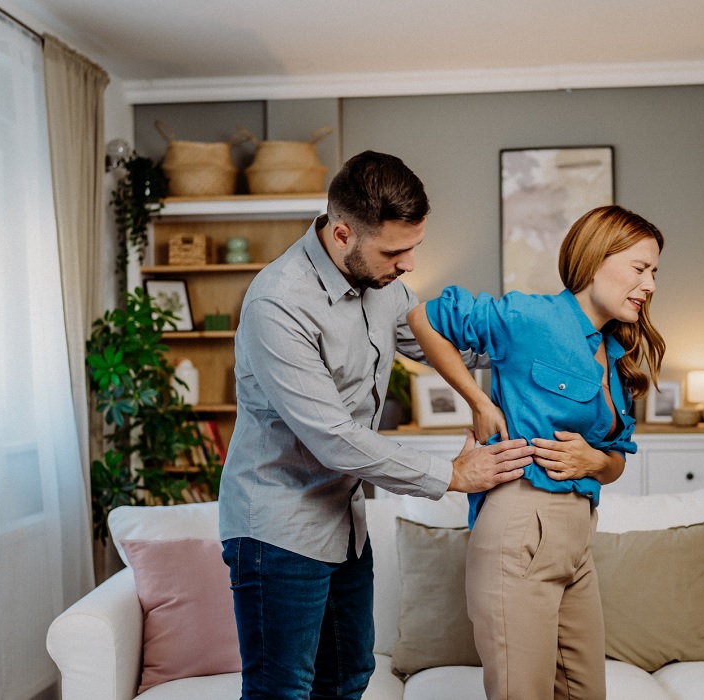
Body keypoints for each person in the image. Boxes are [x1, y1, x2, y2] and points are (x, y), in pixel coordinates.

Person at [217, 150, 536, 700]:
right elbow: (333, 438)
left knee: (347, 680)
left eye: (414, 246)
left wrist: (536, 343)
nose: (409, 263)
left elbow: (436, 344)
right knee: (281, 691)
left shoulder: (383, 282)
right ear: (342, 234)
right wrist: (453, 475)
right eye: (396, 250)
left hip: (344, 524)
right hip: (278, 529)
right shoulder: (278, 302)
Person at [407, 204, 666, 700]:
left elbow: (615, 456)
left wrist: (597, 462)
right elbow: (424, 318)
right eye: (639, 268)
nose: (650, 284)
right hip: (521, 527)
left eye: (654, 271)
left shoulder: (617, 354)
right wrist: (478, 400)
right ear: (595, 261)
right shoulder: (530, 318)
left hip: (575, 542)